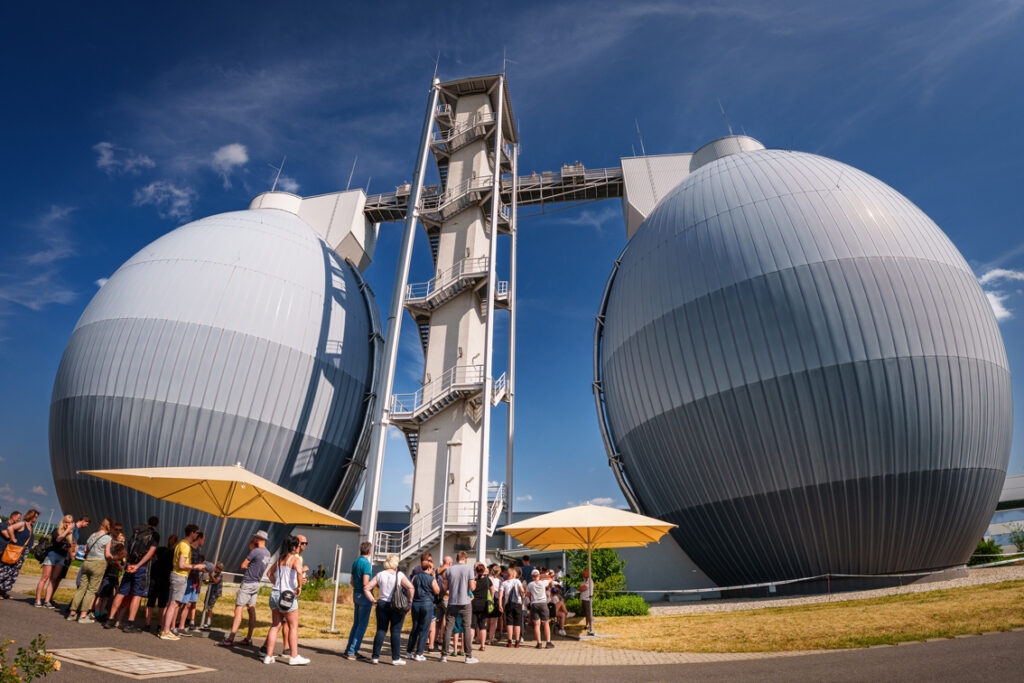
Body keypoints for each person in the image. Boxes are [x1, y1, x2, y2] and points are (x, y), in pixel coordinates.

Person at [104, 515, 159, 632]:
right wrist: (138, 566)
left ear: (148, 522)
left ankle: (110, 619)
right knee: (137, 595)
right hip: (141, 568)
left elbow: (128, 549)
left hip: (130, 566)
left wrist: (128, 564)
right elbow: (150, 553)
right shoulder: (154, 535)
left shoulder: (137, 532)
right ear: (156, 525)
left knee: (121, 592)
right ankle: (130, 623)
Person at [263, 535, 310, 665]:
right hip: (287, 594)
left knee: (275, 625)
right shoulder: (295, 559)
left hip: (275, 593)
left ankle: (268, 656)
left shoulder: (280, 559)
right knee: (293, 626)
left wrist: (275, 583)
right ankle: (294, 657)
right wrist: (299, 587)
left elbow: (269, 574)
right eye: (298, 545)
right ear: (294, 547)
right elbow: (300, 572)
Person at [219, 530, 270, 648]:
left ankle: (231, 638)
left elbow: (243, 565)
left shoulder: (255, 551)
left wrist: (251, 549)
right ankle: (249, 638)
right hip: (257, 583)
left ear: (258, 538)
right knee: (251, 609)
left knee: (238, 610)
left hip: (247, 582)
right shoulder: (268, 553)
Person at [364, 553, 414, 665]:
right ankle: (395, 658)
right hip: (396, 605)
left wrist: (373, 600)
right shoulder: (400, 575)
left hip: (382, 603)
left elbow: (367, 588)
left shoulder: (380, 574)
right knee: (395, 631)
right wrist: (409, 601)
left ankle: (375, 657)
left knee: (381, 630)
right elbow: (410, 587)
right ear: (396, 564)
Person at [159, 524, 204, 641]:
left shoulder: (180, 543)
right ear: (192, 533)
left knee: (171, 603)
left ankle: (164, 629)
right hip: (180, 576)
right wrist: (196, 566)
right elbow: (181, 564)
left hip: (176, 575)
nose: (197, 535)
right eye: (197, 533)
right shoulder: (185, 546)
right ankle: (165, 631)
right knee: (174, 604)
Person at [67, 519, 113, 623]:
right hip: (98, 563)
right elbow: (107, 554)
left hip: (87, 562)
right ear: (109, 528)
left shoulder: (92, 535)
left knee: (81, 588)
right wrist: (113, 557)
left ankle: (72, 613)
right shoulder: (107, 538)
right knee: (91, 590)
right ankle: (83, 615)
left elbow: (85, 550)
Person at [441, 551, 477, 664]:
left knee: (448, 628)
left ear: (457, 559)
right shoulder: (469, 569)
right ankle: (468, 656)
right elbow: (472, 587)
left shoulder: (449, 570)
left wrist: (452, 589)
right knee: (466, 627)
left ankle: (444, 655)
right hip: (465, 601)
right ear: (465, 559)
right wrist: (474, 585)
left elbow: (445, 587)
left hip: (452, 601)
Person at [341, 541, 373, 660]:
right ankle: (352, 651)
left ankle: (349, 649)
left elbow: (352, 581)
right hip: (364, 595)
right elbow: (366, 582)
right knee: (362, 625)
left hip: (356, 593)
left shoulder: (356, 561)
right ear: (370, 551)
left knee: (356, 624)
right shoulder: (366, 564)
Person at [35, 514, 74, 608]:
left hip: (61, 557)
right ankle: (38, 600)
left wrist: (69, 550)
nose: (67, 524)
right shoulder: (56, 530)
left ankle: (47, 601)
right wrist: (67, 531)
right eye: (66, 522)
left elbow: (69, 546)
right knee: (45, 577)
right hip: (52, 555)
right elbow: (58, 539)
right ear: (63, 522)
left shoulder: (70, 535)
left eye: (70, 523)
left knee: (53, 579)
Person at [407, 557, 440, 660]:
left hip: (416, 604)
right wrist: (434, 578)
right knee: (424, 629)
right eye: (432, 568)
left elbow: (411, 588)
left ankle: (409, 651)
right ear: (429, 568)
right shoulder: (431, 579)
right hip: (427, 604)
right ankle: (419, 653)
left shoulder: (415, 577)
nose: (433, 570)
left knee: (415, 628)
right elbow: (437, 591)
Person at [0, 510, 38, 599]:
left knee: (14, 572)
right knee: (6, 570)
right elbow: (10, 528)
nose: (36, 519)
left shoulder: (31, 526)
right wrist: (13, 538)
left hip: (23, 552)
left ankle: (3, 591)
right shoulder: (22, 524)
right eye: (35, 517)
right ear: (31, 516)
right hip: (15, 550)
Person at [146, 534, 176, 633]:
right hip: (166, 581)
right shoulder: (174, 553)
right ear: (175, 543)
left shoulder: (159, 550)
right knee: (162, 605)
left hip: (155, 578)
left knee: (150, 603)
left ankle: (147, 624)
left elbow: (153, 561)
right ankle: (160, 625)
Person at [177, 532, 206, 634]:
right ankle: (176, 625)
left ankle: (181, 625)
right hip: (188, 579)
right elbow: (186, 564)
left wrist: (200, 568)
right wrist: (196, 566)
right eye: (203, 539)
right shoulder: (189, 548)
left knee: (188, 604)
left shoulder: (197, 550)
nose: (204, 542)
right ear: (199, 538)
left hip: (194, 579)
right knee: (181, 603)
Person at [428, 555, 452, 652]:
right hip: (446, 597)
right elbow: (447, 586)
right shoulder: (448, 572)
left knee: (437, 620)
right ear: (449, 563)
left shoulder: (437, 570)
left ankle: (433, 641)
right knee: (446, 619)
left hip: (437, 598)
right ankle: (442, 639)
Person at [527, 569, 554, 649]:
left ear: (532, 576)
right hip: (543, 603)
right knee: (545, 623)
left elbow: (528, 595)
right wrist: (544, 577)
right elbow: (550, 579)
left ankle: (539, 643)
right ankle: (548, 642)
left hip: (534, 604)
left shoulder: (530, 584)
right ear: (538, 575)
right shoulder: (543, 583)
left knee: (536, 624)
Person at [499, 566, 524, 646]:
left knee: (509, 623)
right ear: (514, 574)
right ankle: (517, 642)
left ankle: (509, 641)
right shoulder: (517, 581)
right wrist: (522, 598)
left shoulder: (504, 583)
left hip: (508, 604)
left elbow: (500, 596)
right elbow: (522, 591)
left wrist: (500, 605)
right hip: (518, 604)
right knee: (517, 623)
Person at [470, 563, 490, 652]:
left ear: (476, 571)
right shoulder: (487, 580)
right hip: (484, 604)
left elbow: (471, 590)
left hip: (473, 604)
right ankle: (482, 646)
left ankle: (469, 645)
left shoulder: (473, 580)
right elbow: (492, 591)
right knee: (482, 626)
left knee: (472, 626)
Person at [200, 561, 223, 630]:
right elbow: (211, 582)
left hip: (215, 593)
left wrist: (211, 576)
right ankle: (206, 621)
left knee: (210, 607)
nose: (216, 570)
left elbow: (216, 581)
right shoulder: (214, 574)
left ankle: (208, 622)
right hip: (211, 592)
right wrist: (205, 581)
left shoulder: (219, 575)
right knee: (206, 604)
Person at [487, 564, 503, 644]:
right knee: (494, 622)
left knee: (484, 620)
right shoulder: (500, 581)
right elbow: (500, 592)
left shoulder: (487, 579)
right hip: (495, 601)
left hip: (486, 599)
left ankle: (479, 638)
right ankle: (490, 639)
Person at [579, 568, 594, 635]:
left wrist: (581, 588)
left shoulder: (589, 581)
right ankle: (587, 625)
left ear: (588, 573)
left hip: (588, 599)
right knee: (586, 613)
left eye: (584, 573)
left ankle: (590, 625)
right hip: (583, 599)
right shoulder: (584, 581)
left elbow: (583, 588)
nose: (583, 574)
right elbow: (580, 588)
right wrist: (581, 588)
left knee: (588, 613)